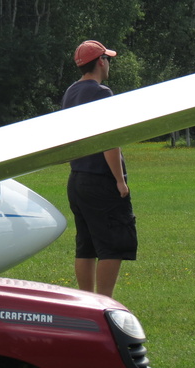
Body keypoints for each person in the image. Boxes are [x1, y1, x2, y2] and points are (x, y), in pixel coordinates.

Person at [61, 40, 137, 297]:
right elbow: (109, 140)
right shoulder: (102, 92)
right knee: (112, 244)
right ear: (101, 61)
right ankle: (104, 304)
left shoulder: (71, 92)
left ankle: (86, 303)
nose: (109, 64)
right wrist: (120, 180)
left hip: (77, 178)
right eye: (108, 59)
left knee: (86, 246)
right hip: (100, 179)